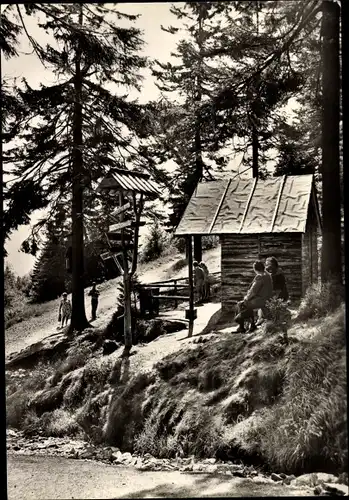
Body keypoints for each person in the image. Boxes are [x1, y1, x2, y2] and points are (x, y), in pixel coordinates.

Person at [234, 260, 273, 333]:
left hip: (261, 300)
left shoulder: (260, 277)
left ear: (255, 269)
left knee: (241, 304)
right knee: (246, 304)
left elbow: (253, 291)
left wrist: (246, 298)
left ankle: (243, 326)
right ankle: (250, 325)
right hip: (267, 298)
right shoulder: (268, 275)